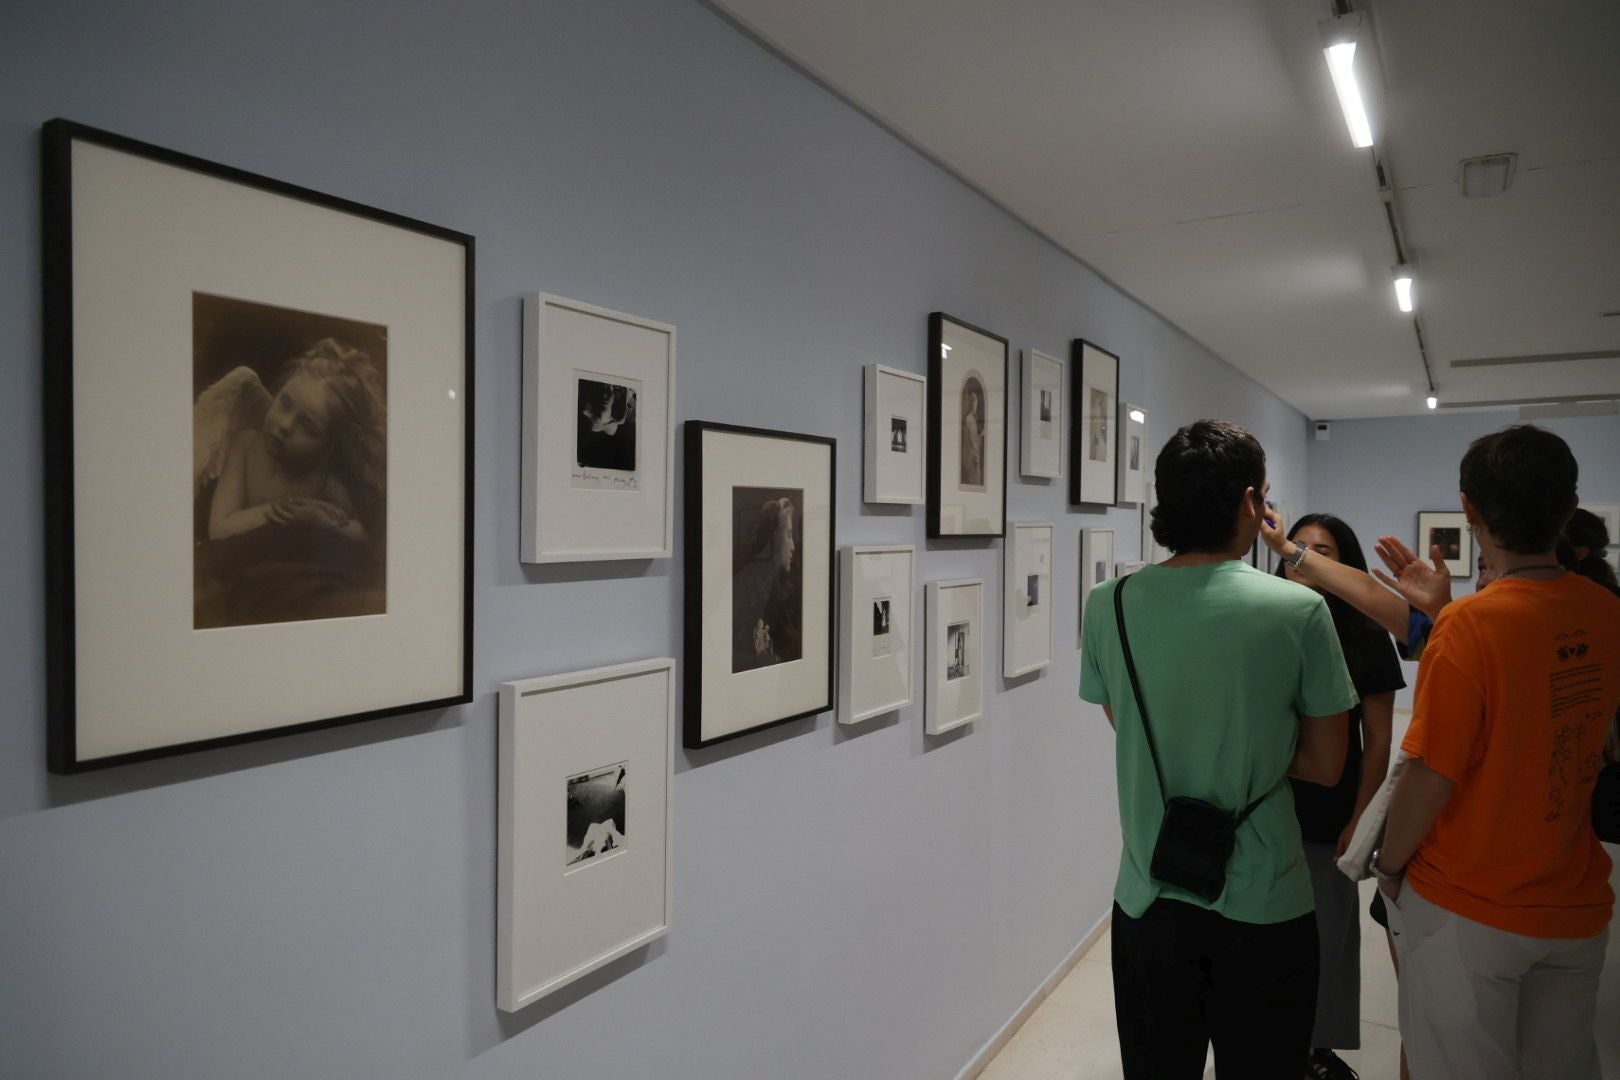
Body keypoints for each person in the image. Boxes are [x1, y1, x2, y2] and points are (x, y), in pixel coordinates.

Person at [1080, 419, 1358, 1079]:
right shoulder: (1298, 612)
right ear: (1250, 503)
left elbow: (1130, 726)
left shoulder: (1109, 604)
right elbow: (1325, 764)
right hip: (1264, 904)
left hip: (1150, 896)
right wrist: (1256, 742)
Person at [1374, 425, 1620, 1079]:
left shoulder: (1470, 626)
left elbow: (1432, 773)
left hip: (1470, 906)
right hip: (1573, 900)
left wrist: (1390, 867)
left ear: (1470, 511)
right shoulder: (1605, 611)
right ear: (1568, 510)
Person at [1273, 515, 1405, 1080]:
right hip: (1267, 800)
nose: (1304, 557)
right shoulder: (1264, 622)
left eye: (1320, 550)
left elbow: (1377, 738)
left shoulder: (1363, 633)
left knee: (1328, 931)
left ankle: (1316, 1050)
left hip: (1331, 805)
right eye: (1295, 547)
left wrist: (1362, 816)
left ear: (1342, 563)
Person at [194, 337, 387, 627]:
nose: (284, 426)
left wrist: (316, 519)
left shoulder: (323, 478)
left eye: (307, 426)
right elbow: (219, 529)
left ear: (330, 448)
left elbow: (362, 536)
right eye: (285, 403)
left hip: (292, 578)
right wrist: (278, 513)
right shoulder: (246, 447)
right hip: (237, 571)